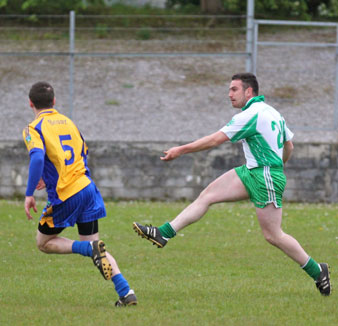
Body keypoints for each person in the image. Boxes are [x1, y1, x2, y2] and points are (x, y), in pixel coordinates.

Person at [133, 73, 331, 296]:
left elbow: (216, 139)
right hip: (253, 170)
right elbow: (289, 146)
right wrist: (279, 164)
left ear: (249, 92)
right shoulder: (273, 112)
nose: (229, 95)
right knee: (207, 195)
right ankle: (164, 233)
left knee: (273, 235)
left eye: (234, 89)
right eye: (229, 90)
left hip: (264, 175)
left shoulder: (250, 115)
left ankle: (318, 270)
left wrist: (180, 150)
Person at [23, 81, 137, 306]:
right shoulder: (69, 122)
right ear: (54, 102)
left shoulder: (34, 127)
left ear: (30, 103)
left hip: (67, 193)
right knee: (95, 244)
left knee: (43, 243)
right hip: (87, 187)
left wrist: (29, 193)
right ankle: (126, 292)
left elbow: (37, 157)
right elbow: (82, 152)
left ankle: (86, 249)